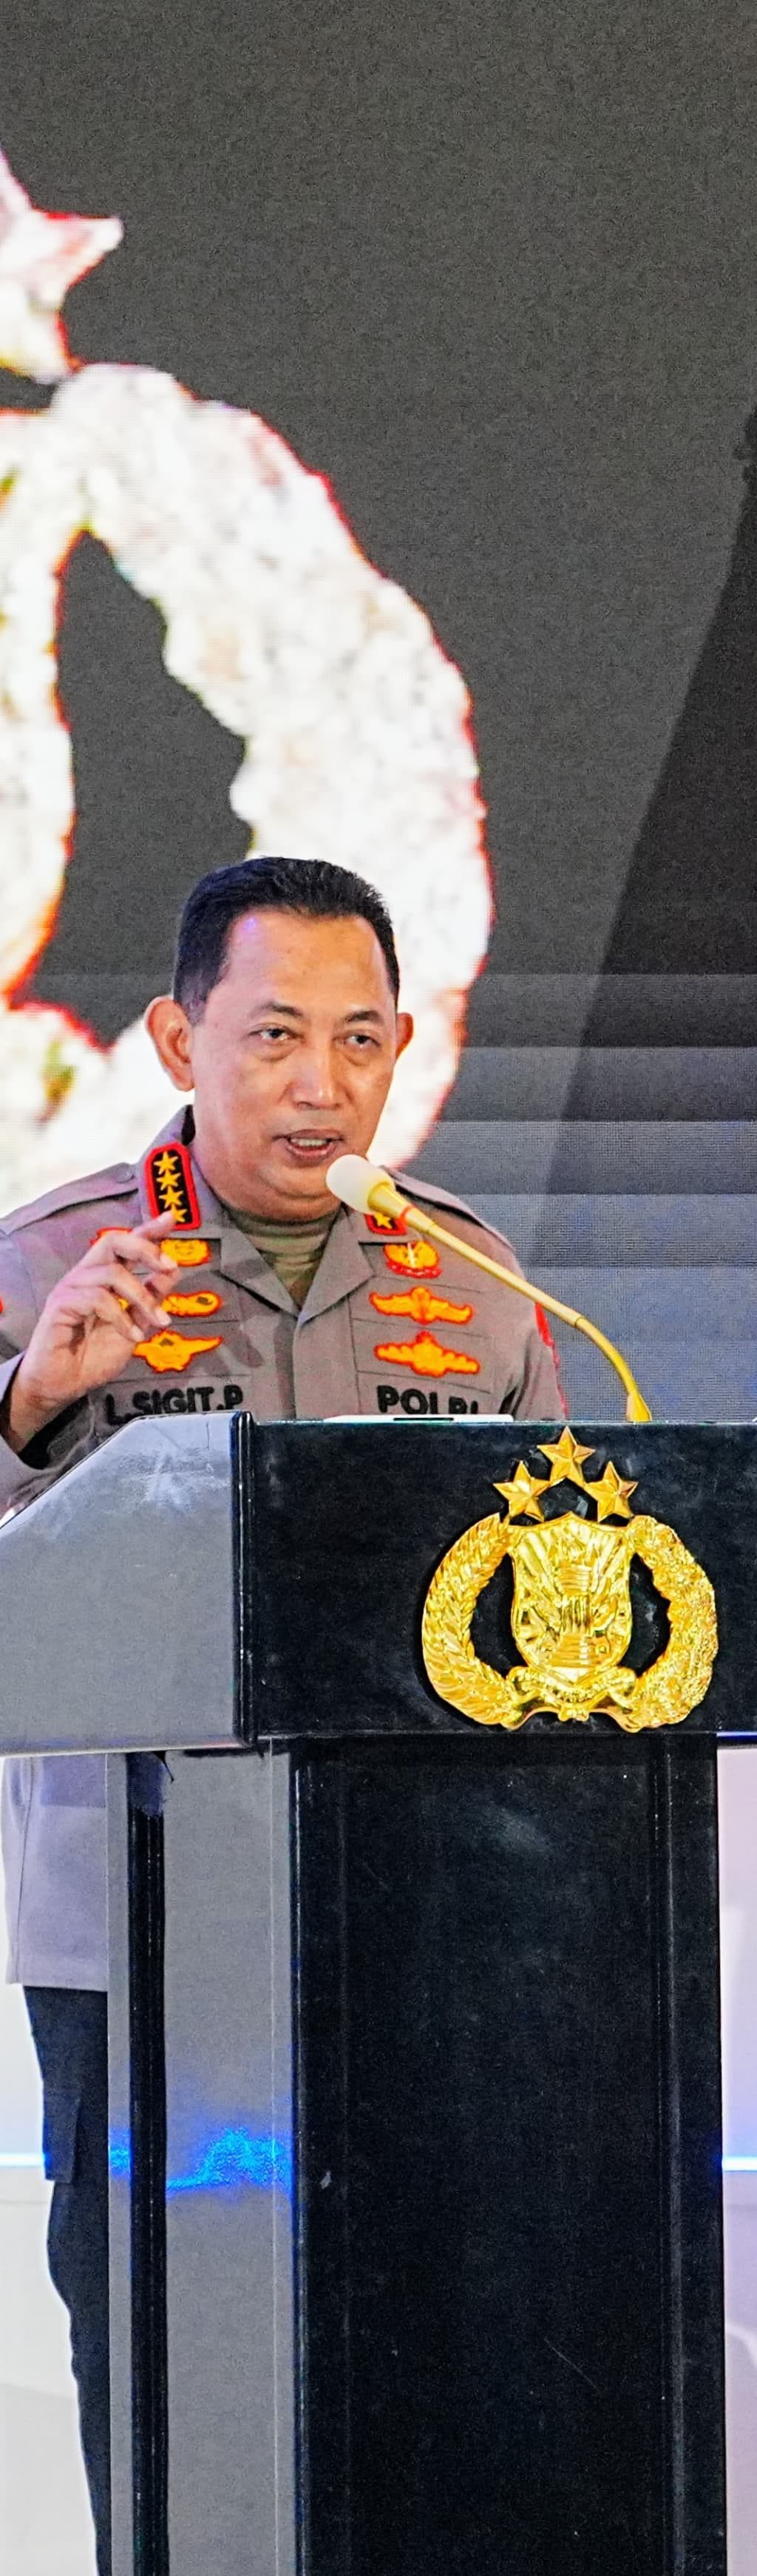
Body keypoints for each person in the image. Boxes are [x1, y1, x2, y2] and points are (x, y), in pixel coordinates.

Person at [0, 854, 565, 2573]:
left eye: (360, 1038)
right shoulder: (48, 1267)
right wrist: (30, 1409)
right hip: (137, 1925)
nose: (321, 1083)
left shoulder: (477, 1283)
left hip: (418, 1912)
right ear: (180, 1040)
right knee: (161, 2348)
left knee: (422, 2331)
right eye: (273, 1035)